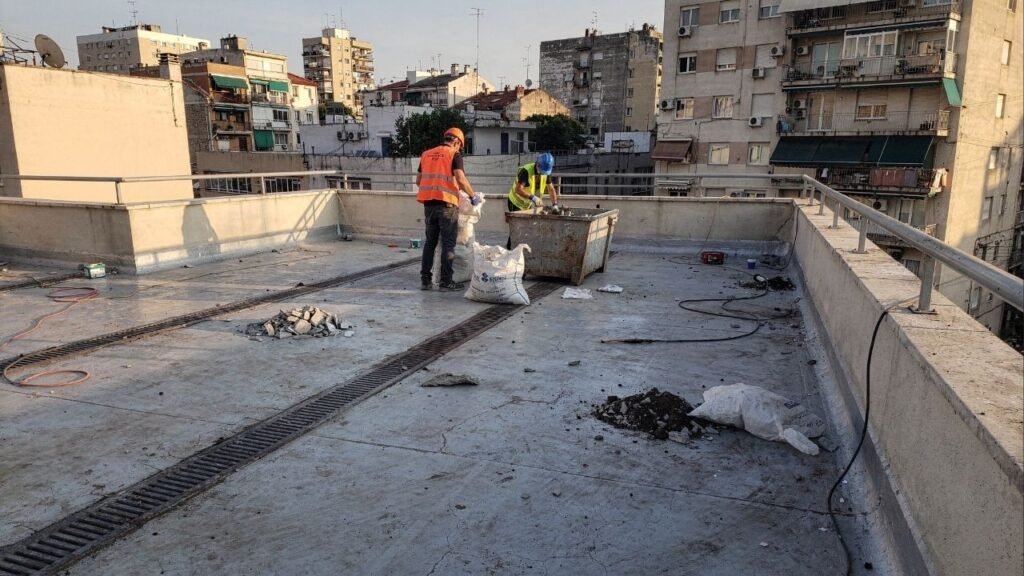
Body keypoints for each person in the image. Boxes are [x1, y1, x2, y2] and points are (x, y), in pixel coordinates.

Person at [416, 127, 480, 291]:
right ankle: (445, 282)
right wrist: (472, 196)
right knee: (448, 244)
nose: (459, 149)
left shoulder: (426, 154)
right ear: (457, 142)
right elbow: (460, 178)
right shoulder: (454, 155)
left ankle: (425, 280)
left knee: (430, 243)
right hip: (446, 205)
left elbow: (418, 181)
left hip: (429, 205)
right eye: (460, 145)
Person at [506, 152, 560, 248]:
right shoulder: (526, 171)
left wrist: (555, 204)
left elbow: (551, 189)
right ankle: (510, 249)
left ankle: (520, 248)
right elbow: (518, 189)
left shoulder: (545, 172)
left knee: (524, 227)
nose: (544, 174)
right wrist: (533, 197)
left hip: (527, 203)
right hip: (515, 202)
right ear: (537, 164)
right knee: (517, 227)